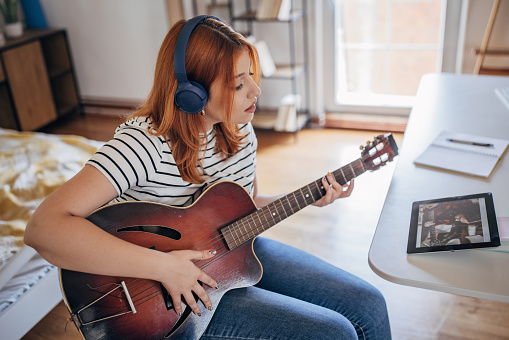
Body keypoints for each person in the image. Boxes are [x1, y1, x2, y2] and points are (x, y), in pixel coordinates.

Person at [25, 16, 391, 340]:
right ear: (191, 94)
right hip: (164, 297)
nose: (256, 90)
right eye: (238, 84)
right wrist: (164, 267)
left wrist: (315, 194)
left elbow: (244, 207)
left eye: (252, 75)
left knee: (369, 305)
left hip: (236, 252)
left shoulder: (241, 131)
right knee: (333, 333)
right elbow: (43, 229)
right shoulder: (145, 144)